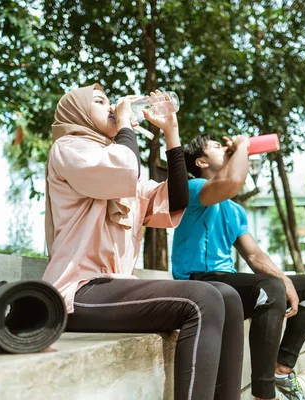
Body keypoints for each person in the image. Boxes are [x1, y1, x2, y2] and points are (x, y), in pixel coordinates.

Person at [42, 84, 244, 400]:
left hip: (113, 288)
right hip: (76, 292)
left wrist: (171, 131)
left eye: (111, 101)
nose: (111, 106)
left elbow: (176, 198)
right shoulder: (70, 148)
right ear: (78, 112)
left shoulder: (122, 165)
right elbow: (123, 167)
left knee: (228, 296)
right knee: (201, 299)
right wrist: (124, 124)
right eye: (99, 101)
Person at [171, 133, 305, 400]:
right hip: (199, 283)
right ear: (201, 161)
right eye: (217, 146)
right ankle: (264, 395)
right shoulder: (194, 189)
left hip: (227, 283)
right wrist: (242, 146)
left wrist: (285, 279)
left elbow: (255, 256)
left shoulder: (234, 210)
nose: (225, 148)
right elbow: (231, 182)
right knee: (270, 287)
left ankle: (281, 370)